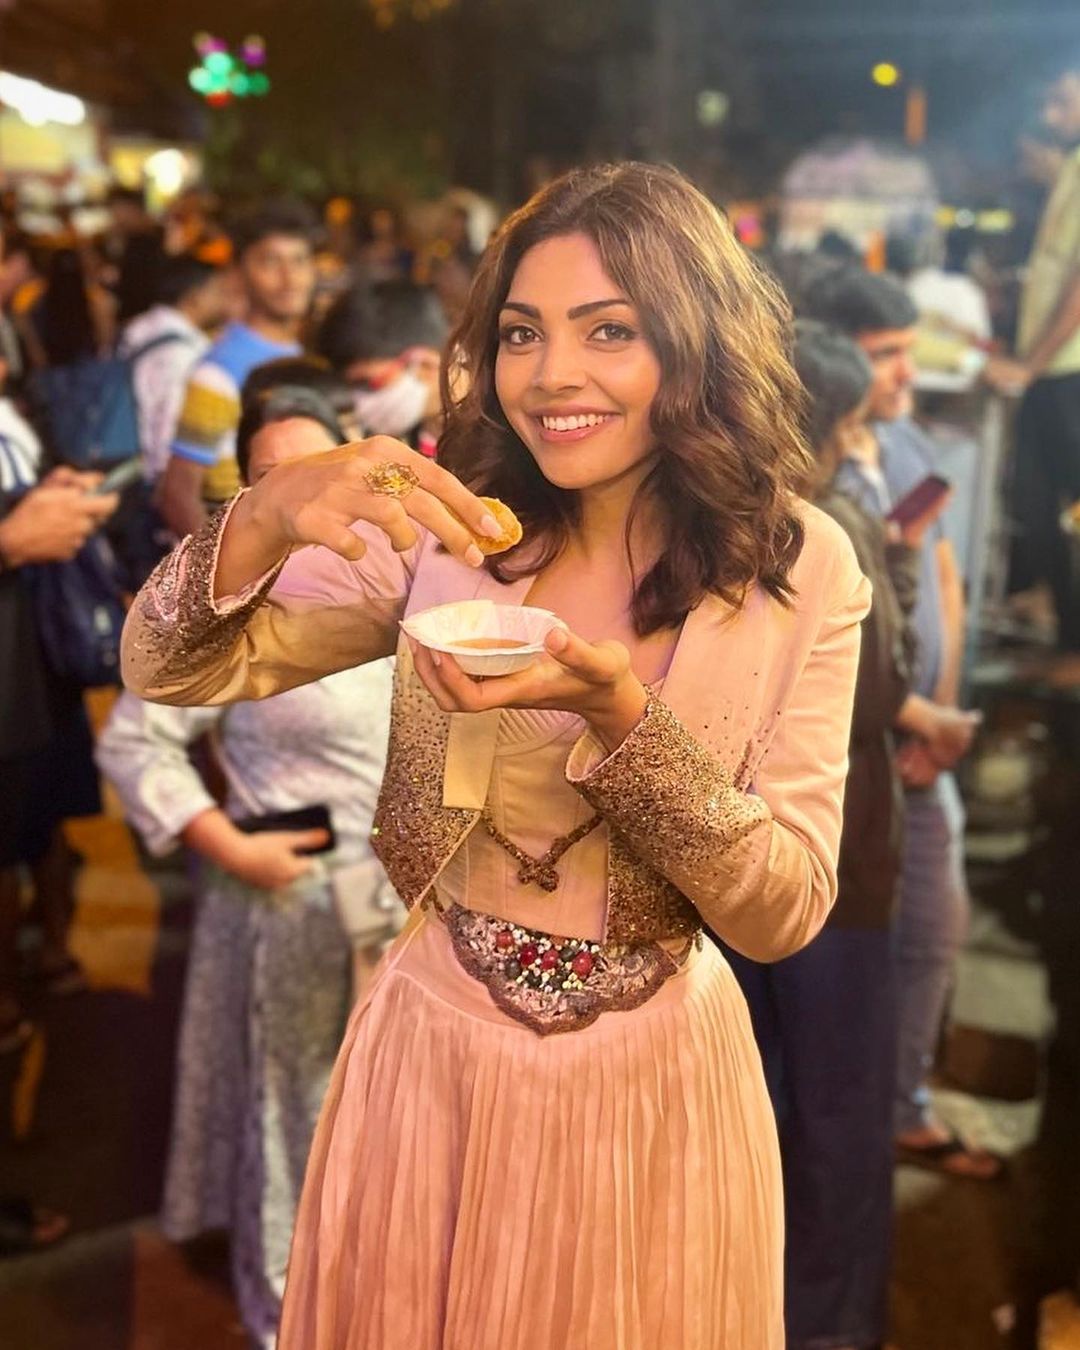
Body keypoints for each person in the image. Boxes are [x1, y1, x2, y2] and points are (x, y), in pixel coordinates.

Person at [123, 161, 870, 1350]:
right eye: (522, 333)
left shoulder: (797, 565)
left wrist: (624, 719)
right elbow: (165, 669)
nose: (551, 374)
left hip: (653, 1086)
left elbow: (784, 912)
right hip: (432, 1053)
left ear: (698, 345)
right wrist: (262, 513)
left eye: (609, 331)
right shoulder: (452, 529)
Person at [98, 365, 397, 1348]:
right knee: (292, 1110)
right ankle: (283, 1308)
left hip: (398, 897)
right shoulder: (229, 600)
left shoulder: (403, 574)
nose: (303, 500)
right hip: (287, 891)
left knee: (389, 1110)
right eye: (273, 482)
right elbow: (136, 741)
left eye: (319, 472)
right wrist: (225, 841)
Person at [724, 320, 959, 1350]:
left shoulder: (716, 520)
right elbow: (873, 684)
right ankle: (827, 1328)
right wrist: (897, 563)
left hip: (738, 863)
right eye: (854, 421)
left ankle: (755, 1316)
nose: (863, 440)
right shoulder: (821, 530)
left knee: (765, 1109)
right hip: (832, 864)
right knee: (837, 1122)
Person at [802, 266, 995, 1179]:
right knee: (854, 957)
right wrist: (912, 717)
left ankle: (900, 1104)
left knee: (932, 933)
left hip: (916, 745)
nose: (905, 374)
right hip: (859, 757)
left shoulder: (902, 443)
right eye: (886, 356)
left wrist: (933, 719)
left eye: (908, 352)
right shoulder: (818, 478)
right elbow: (846, 656)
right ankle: (856, 1131)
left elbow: (939, 577)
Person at [157, 201, 316, 539]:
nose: (289, 278)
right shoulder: (218, 373)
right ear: (238, 274)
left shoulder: (302, 355)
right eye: (270, 261)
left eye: (300, 260)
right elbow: (178, 494)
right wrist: (224, 568)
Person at [1000, 66, 1080, 649]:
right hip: (1052, 372)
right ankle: (1068, 627)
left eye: (1062, 101)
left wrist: (1029, 365)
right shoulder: (1072, 166)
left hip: (1066, 371)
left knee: (1062, 500)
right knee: (1035, 497)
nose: (1052, 114)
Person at [315, 279, 447, 454]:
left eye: (367, 384)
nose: (359, 403)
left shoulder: (483, 443)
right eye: (349, 389)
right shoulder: (400, 442)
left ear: (425, 364)